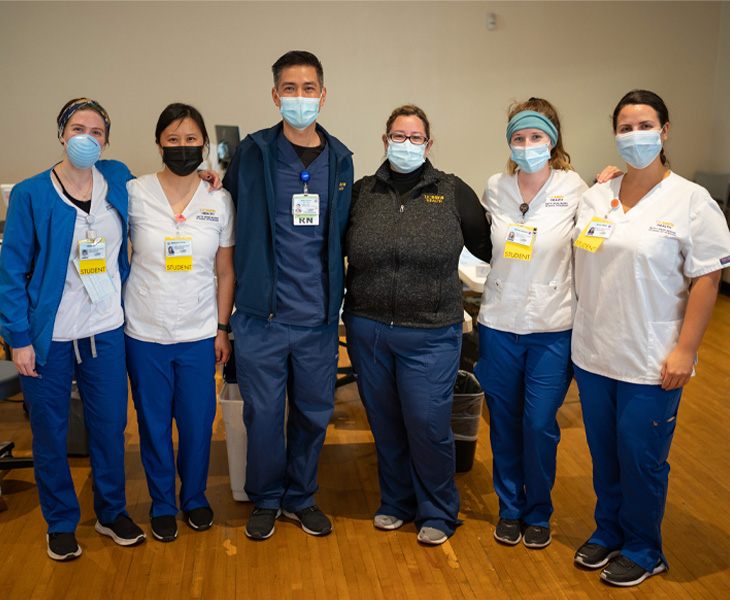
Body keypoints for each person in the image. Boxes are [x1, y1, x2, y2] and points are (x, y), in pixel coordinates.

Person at [572, 89, 730, 587]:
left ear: (664, 132)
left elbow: (708, 276)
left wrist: (686, 349)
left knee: (641, 457)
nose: (634, 135)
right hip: (595, 352)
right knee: (604, 452)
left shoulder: (691, 200)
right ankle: (608, 531)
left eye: (645, 125)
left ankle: (644, 547)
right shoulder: (597, 194)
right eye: (625, 127)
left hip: (651, 357)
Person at [0, 98, 146, 561]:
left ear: (107, 139)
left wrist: (204, 178)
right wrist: (18, 339)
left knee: (110, 427)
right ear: (61, 133)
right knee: (49, 432)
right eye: (78, 128)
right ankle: (61, 521)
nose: (88, 137)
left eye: (97, 131)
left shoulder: (118, 177)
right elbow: (11, 274)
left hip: (105, 330)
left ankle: (110, 512)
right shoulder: (30, 194)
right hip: (49, 338)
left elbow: (159, 194)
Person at [343, 104, 492, 545]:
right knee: (385, 423)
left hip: (430, 332)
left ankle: (439, 511)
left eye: (415, 137)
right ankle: (396, 501)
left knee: (427, 426)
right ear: (384, 139)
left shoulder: (451, 191)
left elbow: (490, 248)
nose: (406, 144)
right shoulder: (362, 192)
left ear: (428, 144)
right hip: (369, 329)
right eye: (398, 136)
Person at [222, 50, 354, 540]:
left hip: (317, 317)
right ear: (276, 96)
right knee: (262, 415)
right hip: (262, 317)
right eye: (291, 89)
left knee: (314, 413)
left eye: (309, 88)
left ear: (323, 94)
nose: (301, 98)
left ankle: (300, 496)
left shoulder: (341, 159)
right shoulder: (253, 152)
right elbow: (227, 210)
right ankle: (267, 497)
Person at [472, 98, 588, 550]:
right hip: (499, 324)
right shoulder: (496, 187)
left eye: (536, 137)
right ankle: (510, 509)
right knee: (503, 421)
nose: (527, 146)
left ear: (552, 140)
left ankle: (538, 510)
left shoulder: (576, 188)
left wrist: (614, 180)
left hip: (552, 328)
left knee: (539, 424)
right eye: (519, 138)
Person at [123, 103, 235, 543]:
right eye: (173, 140)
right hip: (144, 331)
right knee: (152, 424)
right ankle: (163, 502)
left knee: (196, 420)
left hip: (198, 332)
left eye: (191, 140)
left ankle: (195, 497)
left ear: (204, 145)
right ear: (158, 144)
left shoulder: (219, 199)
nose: (182, 147)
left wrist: (222, 327)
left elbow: (225, 272)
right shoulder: (134, 192)